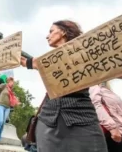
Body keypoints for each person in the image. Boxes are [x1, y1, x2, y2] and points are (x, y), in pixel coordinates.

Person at [21, 20, 109, 152]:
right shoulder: (44, 61)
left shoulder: (89, 52)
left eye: (51, 31)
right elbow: (21, 60)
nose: (47, 36)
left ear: (63, 32)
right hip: (48, 119)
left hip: (82, 118)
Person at [90, 81, 122, 152]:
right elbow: (96, 105)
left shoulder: (104, 89)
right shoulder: (93, 86)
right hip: (111, 132)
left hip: (116, 131)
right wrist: (112, 128)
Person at [0, 77, 18, 144]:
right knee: (0, 121)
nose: (12, 83)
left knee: (3, 124)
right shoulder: (4, 85)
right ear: (8, 81)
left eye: (12, 82)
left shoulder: (11, 90)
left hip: (7, 108)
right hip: (0, 105)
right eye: (11, 81)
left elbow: (12, 100)